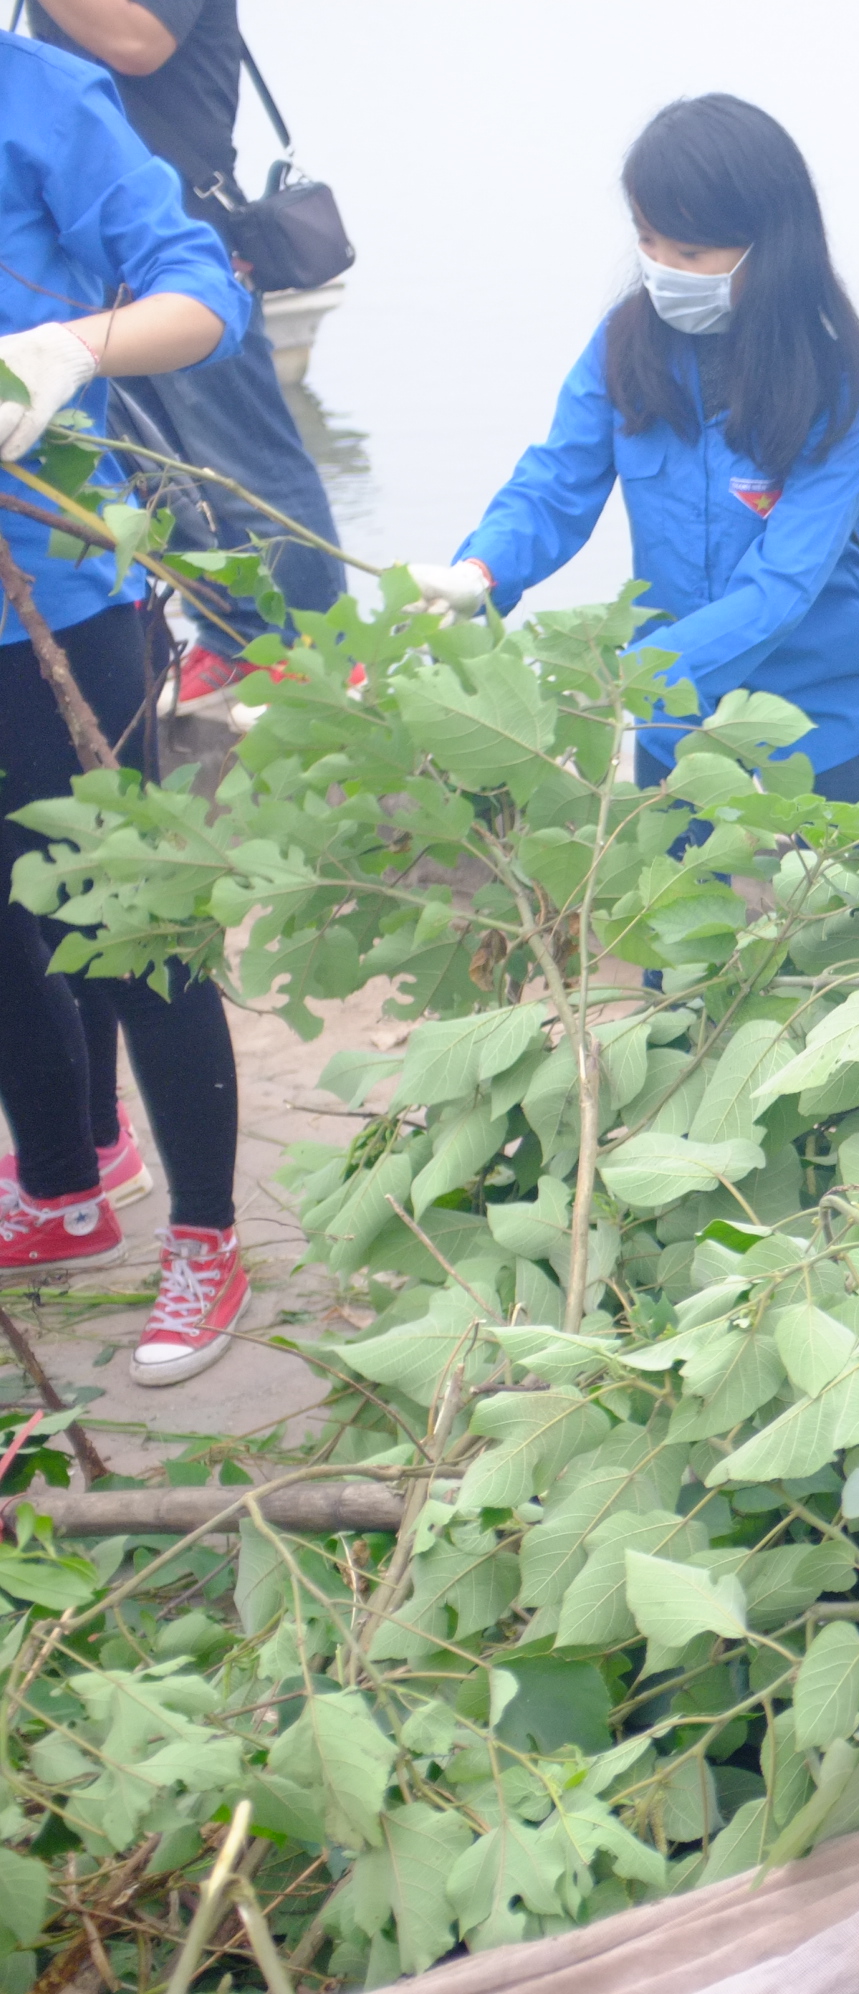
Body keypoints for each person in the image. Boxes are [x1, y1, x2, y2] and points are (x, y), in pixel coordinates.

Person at [399, 97, 859, 802]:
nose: (663, 268)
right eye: (649, 240)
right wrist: (482, 572)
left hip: (817, 701)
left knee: (847, 896)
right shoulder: (624, 347)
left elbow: (782, 588)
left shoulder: (835, 390)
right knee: (665, 896)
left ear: (772, 244)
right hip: (673, 711)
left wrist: (622, 678)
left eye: (691, 253)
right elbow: (554, 484)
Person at [0, 33, 250, 1384]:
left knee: (125, 920)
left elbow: (204, 294)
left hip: (53, 598)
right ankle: (61, 1186)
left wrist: (61, 351)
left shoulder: (45, 99)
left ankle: (207, 1237)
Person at [25, 0, 349, 712]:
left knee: (243, 461)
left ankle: (319, 657)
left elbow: (138, 42)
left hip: (184, 248)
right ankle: (230, 637)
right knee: (147, 464)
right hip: (88, 239)